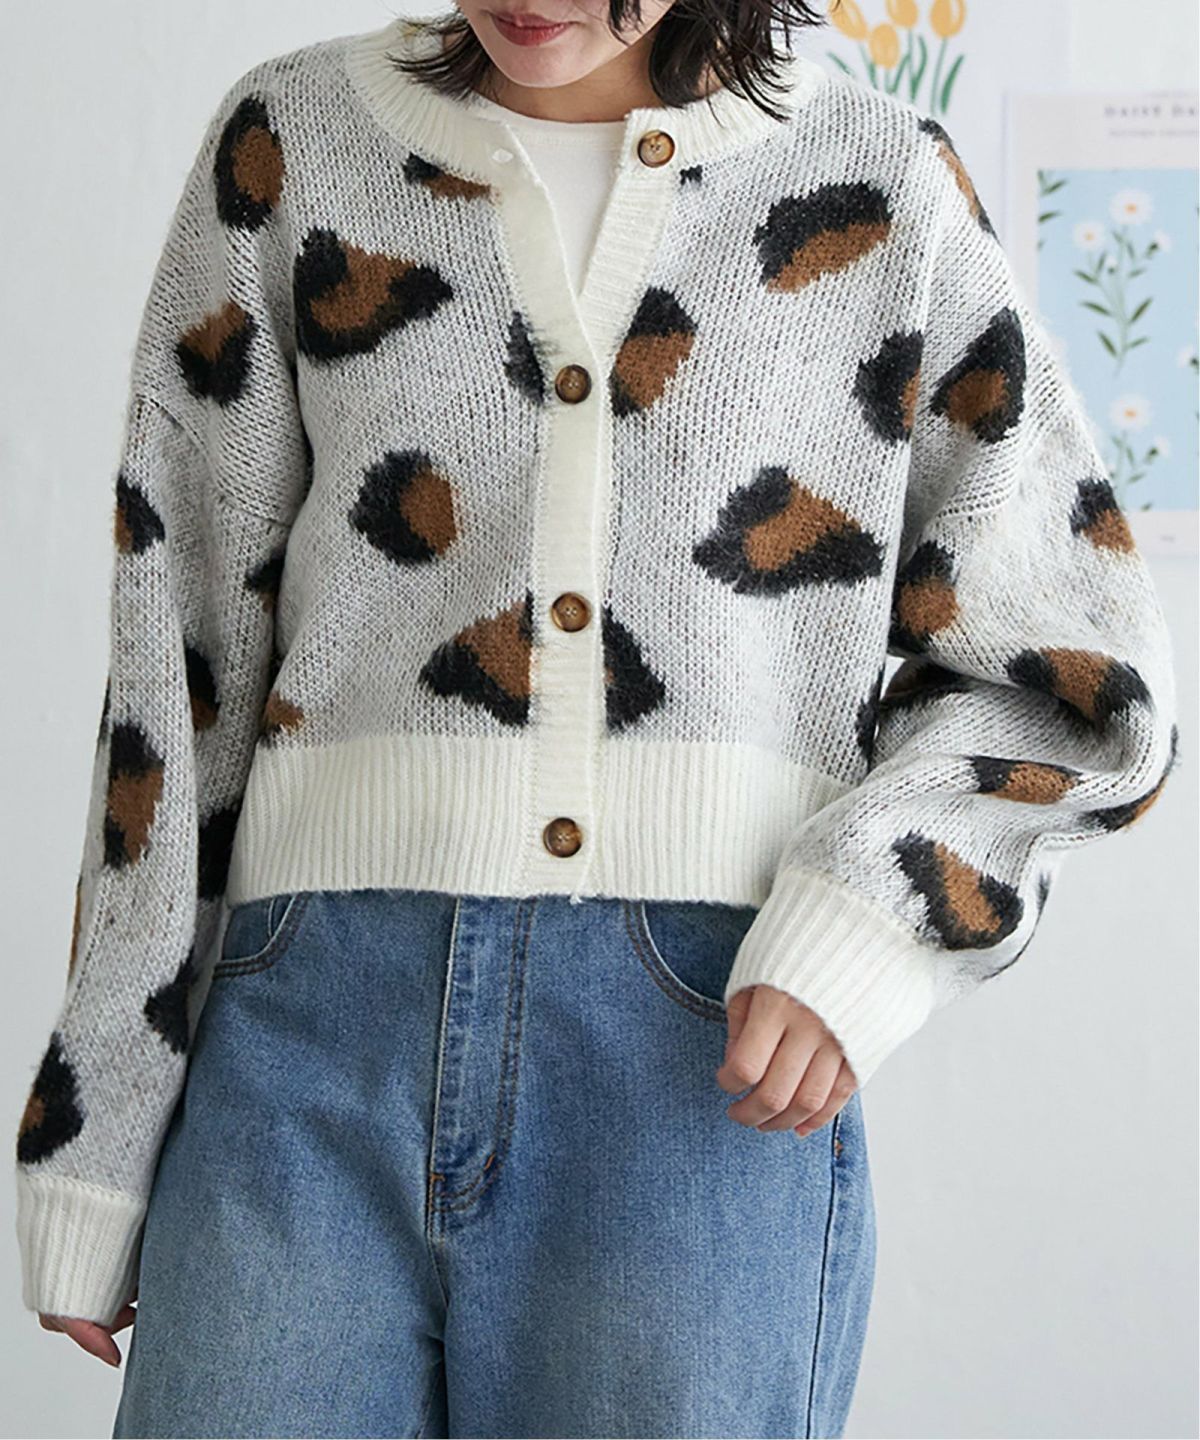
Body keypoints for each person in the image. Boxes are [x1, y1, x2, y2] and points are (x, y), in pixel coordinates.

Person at [14, 3, 1178, 1437]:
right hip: (304, 1028)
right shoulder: (296, 141)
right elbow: (175, 657)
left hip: (697, 1050)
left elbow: (1079, 678)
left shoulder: (880, 180)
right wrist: (100, 1115)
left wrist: (869, 924)